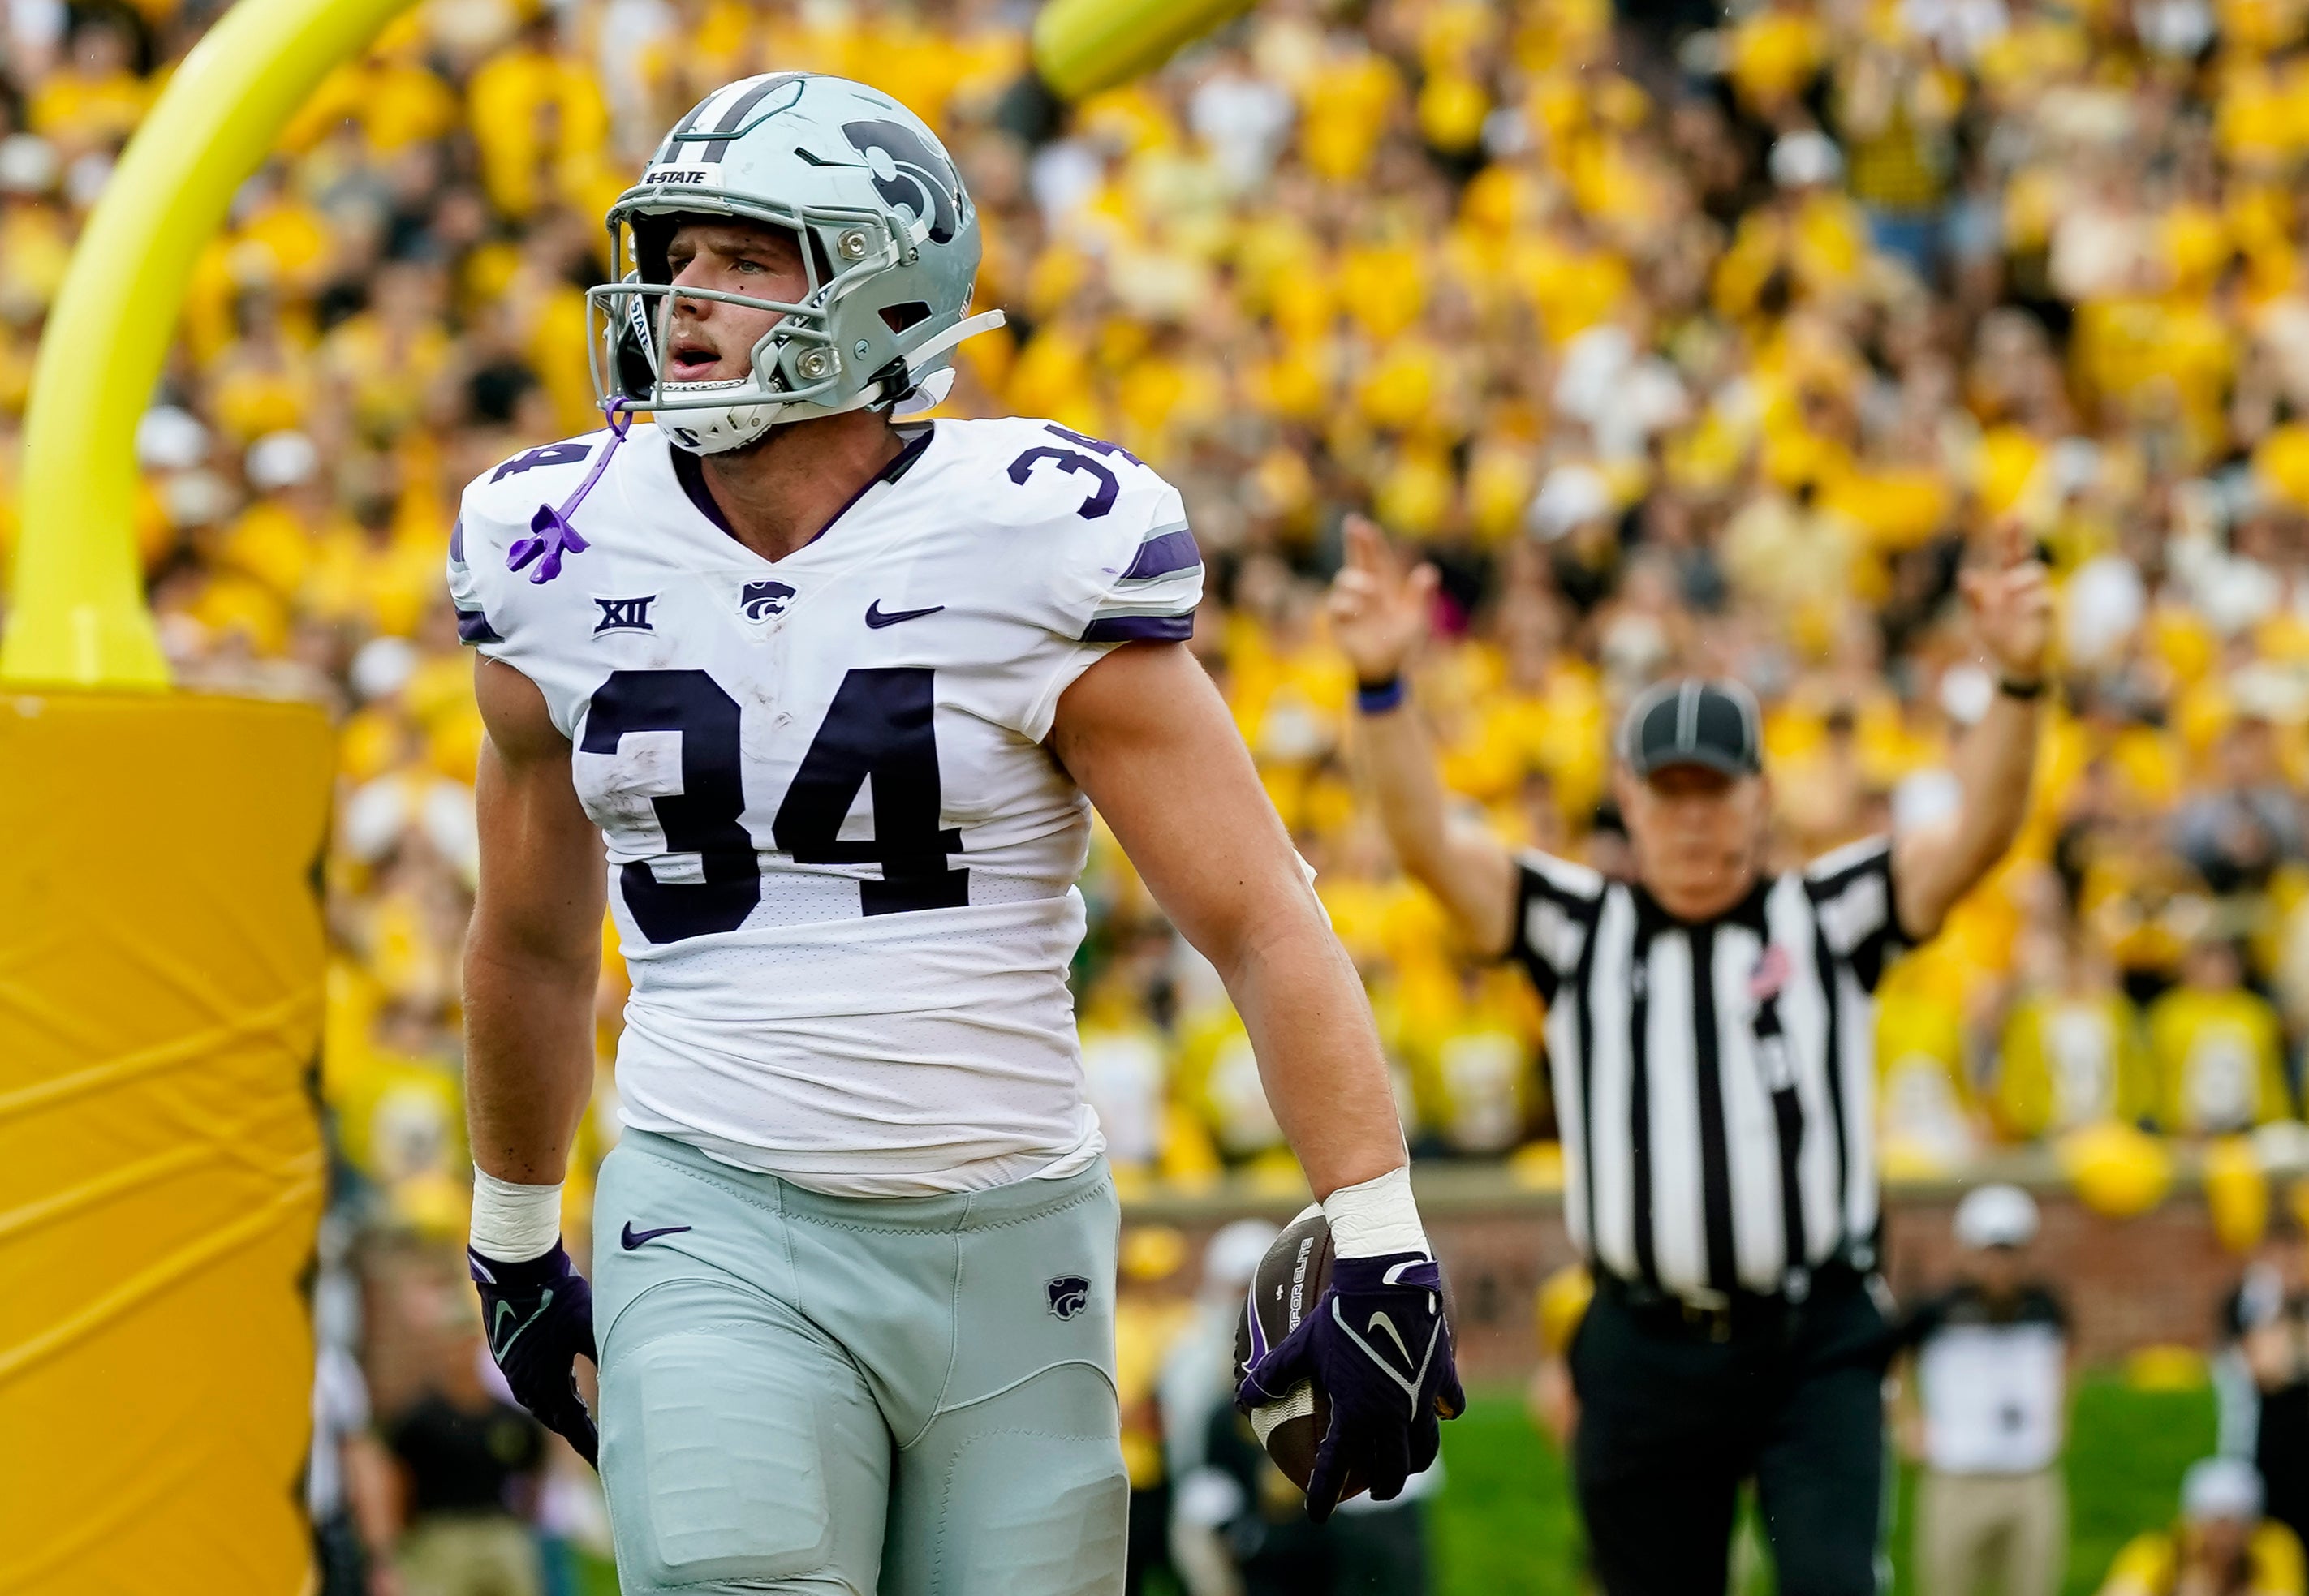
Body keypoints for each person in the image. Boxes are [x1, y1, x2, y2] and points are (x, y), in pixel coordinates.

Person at [449, 75, 1459, 1596]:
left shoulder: (1033, 534)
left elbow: (1258, 912)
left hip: (1013, 1241)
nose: (686, 299)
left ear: (880, 283)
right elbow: (527, 936)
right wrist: (515, 1230)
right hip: (711, 1201)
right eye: (677, 257)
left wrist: (1378, 1220)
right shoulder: (556, 544)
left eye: (745, 257)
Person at [1329, 513, 2050, 1594]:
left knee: (1830, 1580)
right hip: (1642, 1340)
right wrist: (1383, 687)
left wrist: (2020, 683)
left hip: (1814, 1336)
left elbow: (1980, 833)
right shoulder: (1580, 926)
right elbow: (1430, 844)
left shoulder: (1828, 914)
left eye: (1714, 790)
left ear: (1758, 794)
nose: (1693, 819)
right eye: (1669, 793)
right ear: (1629, 798)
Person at [1899, 1184, 2070, 1596]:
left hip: (2029, 1472)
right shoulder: (1938, 1311)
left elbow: (2069, 1357)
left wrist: (2062, 1414)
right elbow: (1898, 1358)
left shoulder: (2046, 1307)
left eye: (2009, 1250)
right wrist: (1908, 1419)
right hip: (1960, 1474)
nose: (1999, 1264)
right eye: (1990, 1250)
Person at [2097, 1457, 2306, 1596]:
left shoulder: (2271, 1549)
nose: (2224, 1537)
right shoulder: (2156, 1552)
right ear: (2191, 1523)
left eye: (2235, 1524)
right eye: (2216, 1524)